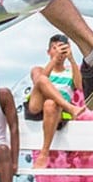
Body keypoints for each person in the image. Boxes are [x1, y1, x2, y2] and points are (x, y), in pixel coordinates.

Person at [25, 34, 86, 168]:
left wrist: (71, 59)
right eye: (54, 48)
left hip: (55, 110)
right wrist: (54, 59)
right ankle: (71, 108)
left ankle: (44, 153)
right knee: (42, 79)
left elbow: (80, 85)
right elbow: (39, 81)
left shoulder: (71, 71)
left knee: (50, 104)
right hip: (36, 106)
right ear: (48, 51)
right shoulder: (39, 69)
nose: (58, 51)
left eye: (62, 48)